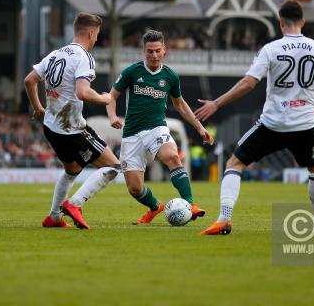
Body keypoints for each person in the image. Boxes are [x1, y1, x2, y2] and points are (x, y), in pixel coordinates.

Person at [194, 0, 314, 235]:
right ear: (302, 21)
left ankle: (225, 218)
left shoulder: (271, 49)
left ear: (280, 23)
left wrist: (216, 103)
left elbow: (248, 84)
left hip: (273, 123)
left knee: (235, 164)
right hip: (304, 124)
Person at [24, 12, 120, 229]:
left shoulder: (55, 54)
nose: (96, 40)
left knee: (72, 171)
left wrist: (38, 107)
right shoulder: (84, 57)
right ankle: (75, 204)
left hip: (51, 127)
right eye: (97, 36)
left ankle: (54, 217)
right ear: (90, 33)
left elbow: (30, 80)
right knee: (114, 166)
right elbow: (83, 92)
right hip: (72, 129)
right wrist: (105, 99)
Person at [107, 29, 214, 224]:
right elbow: (111, 96)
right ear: (144, 51)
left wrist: (199, 127)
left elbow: (180, 104)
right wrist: (113, 115)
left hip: (157, 128)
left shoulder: (170, 76)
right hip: (131, 133)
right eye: (150, 51)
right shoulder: (132, 72)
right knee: (135, 189)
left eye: (158, 50)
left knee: (172, 156)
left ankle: (190, 204)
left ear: (165, 50)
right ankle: (156, 207)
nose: (154, 55)